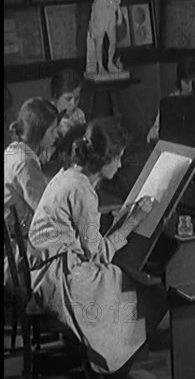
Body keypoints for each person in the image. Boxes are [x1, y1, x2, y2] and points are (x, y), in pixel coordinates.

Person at [27, 118, 167, 376]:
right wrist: (131, 222)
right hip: (57, 279)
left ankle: (110, 356)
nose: (122, 164)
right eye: (119, 158)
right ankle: (111, 364)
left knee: (123, 282)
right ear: (104, 159)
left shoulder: (69, 175)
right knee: (129, 285)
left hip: (45, 272)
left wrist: (119, 223)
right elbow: (98, 254)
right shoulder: (82, 190)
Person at [4, 98, 59, 289]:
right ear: (39, 132)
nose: (56, 135)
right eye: (52, 130)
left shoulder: (14, 151)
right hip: (13, 253)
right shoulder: (25, 162)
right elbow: (46, 211)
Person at [146, 54, 195, 142]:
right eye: (186, 82)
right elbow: (153, 135)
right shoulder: (171, 102)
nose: (191, 88)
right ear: (179, 81)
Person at [86, 0, 125, 76]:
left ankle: (110, 63)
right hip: (100, 11)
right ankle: (100, 66)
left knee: (113, 41)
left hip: (110, 12)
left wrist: (118, 12)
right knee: (100, 40)